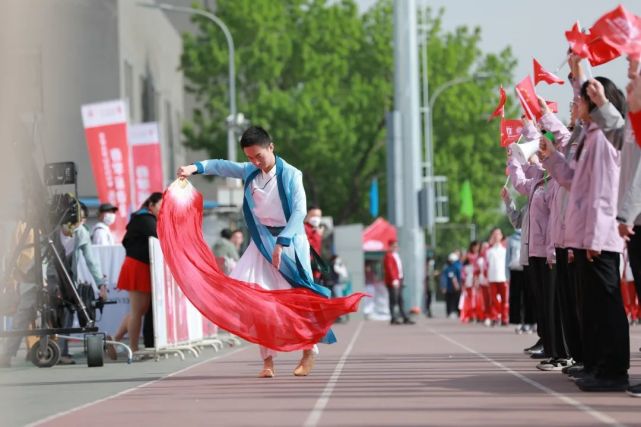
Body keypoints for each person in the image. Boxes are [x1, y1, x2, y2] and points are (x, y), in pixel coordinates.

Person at [176, 126, 334, 378]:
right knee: (254, 299)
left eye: (258, 156)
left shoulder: (292, 174)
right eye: (250, 158)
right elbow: (222, 165)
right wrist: (193, 168)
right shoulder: (251, 171)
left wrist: (282, 243)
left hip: (290, 241)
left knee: (297, 300)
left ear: (271, 147)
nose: (254, 162)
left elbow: (299, 212)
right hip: (260, 243)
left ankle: (308, 350)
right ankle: (268, 360)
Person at [541, 76, 628, 391]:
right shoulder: (591, 137)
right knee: (589, 308)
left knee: (605, 305)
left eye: (579, 99)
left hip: (599, 236)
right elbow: (574, 181)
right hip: (585, 235)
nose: (574, 105)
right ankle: (596, 365)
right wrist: (551, 156)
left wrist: (591, 238)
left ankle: (613, 370)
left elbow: (602, 194)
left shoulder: (603, 138)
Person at [113, 192, 163, 353]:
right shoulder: (145, 219)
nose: (163, 209)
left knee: (138, 310)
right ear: (151, 205)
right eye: (161, 205)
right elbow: (159, 237)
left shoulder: (144, 219)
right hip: (137, 266)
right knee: (137, 311)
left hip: (141, 266)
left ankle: (114, 342)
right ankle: (132, 348)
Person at [383, 240, 414, 325]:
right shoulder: (389, 256)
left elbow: (398, 269)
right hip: (393, 281)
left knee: (400, 299)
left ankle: (404, 316)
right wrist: (394, 280)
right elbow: (390, 269)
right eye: (394, 246)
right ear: (390, 246)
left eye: (396, 246)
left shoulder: (396, 255)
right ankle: (393, 317)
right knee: (393, 299)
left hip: (399, 280)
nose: (396, 248)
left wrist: (401, 279)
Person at [486, 228, 508, 326]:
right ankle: (495, 317)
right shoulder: (488, 251)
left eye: (498, 234)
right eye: (494, 234)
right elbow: (485, 265)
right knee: (493, 300)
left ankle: (504, 318)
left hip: (503, 278)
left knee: (505, 300)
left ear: (501, 236)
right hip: (492, 278)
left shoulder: (505, 250)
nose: (496, 236)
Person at [304, 206, 324, 283]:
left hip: (316, 268)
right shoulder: (303, 228)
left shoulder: (316, 229)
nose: (316, 219)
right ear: (307, 215)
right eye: (313, 216)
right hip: (307, 266)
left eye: (319, 216)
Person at [440, 253, 461, 318]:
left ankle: (455, 312)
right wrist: (443, 286)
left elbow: (459, 277)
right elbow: (444, 278)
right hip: (450, 287)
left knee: (455, 300)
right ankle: (450, 312)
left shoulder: (456, 267)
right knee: (450, 300)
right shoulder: (447, 268)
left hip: (455, 287)